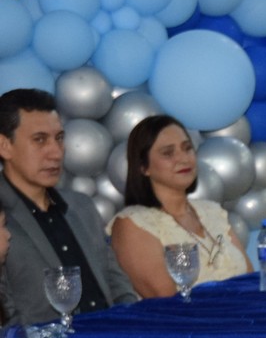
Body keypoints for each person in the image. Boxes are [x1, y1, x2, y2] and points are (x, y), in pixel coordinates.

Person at [0, 88, 137, 325]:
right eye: (39, 140)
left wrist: (129, 325)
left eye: (59, 138)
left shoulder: (81, 206)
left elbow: (116, 283)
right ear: (4, 146)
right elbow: (5, 316)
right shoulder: (2, 217)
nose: (55, 152)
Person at [110, 116, 250, 298]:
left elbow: (250, 279)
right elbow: (166, 301)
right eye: (168, 153)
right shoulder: (132, 223)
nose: (183, 159)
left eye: (187, 148)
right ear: (144, 167)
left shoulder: (212, 211)